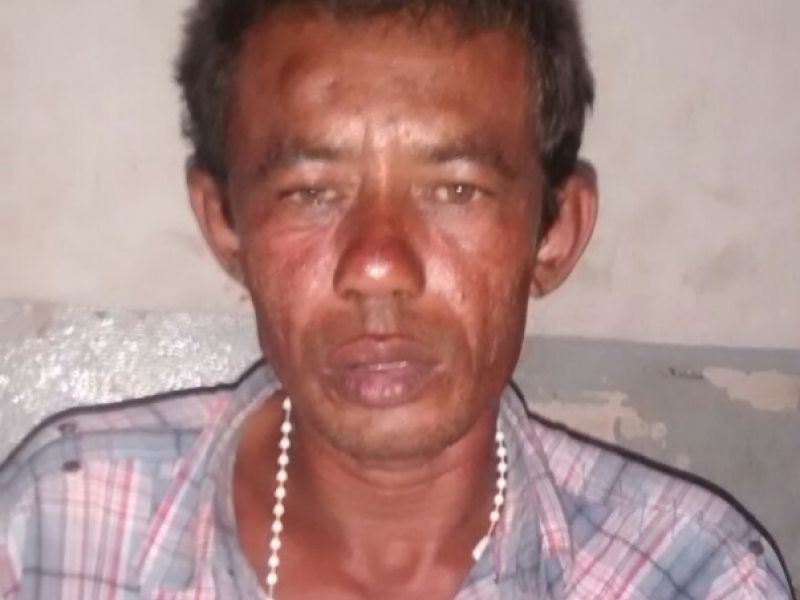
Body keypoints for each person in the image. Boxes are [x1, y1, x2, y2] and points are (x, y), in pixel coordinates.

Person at [0, 0, 794, 598]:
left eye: (456, 189)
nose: (378, 266)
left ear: (554, 234)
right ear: (226, 227)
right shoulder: (60, 531)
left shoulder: (692, 576)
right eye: (311, 192)